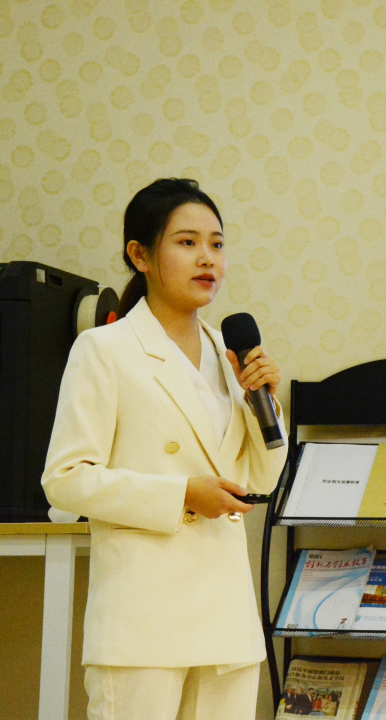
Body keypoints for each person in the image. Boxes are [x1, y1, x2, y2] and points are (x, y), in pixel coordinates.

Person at [41, 178, 288, 718]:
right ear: (140, 255)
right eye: (187, 242)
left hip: (226, 621)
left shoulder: (231, 354)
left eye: (217, 244)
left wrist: (263, 402)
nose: (207, 258)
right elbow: (65, 478)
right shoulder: (104, 349)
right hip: (143, 624)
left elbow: (262, 481)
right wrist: (182, 495)